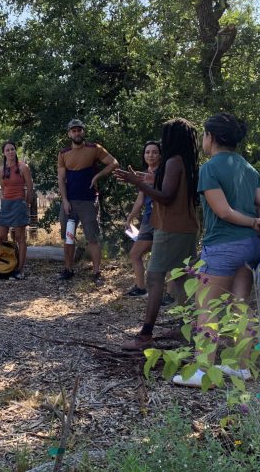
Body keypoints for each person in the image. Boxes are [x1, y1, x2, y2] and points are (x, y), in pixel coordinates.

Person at [172, 112, 260, 388]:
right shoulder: (248, 169)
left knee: (207, 308)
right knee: (241, 306)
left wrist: (253, 221)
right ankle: (242, 367)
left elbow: (223, 211)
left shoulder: (210, 168)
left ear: (211, 137)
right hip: (251, 248)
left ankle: (203, 372)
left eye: (205, 135)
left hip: (222, 247)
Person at [114, 118, 200, 351]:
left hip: (171, 228)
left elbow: (166, 197)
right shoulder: (185, 161)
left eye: (165, 136)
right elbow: (169, 189)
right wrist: (149, 179)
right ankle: (188, 330)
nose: (162, 141)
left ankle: (145, 336)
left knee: (154, 278)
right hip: (186, 227)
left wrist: (137, 183)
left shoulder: (173, 161)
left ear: (173, 138)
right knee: (182, 279)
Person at [57, 118, 119, 285]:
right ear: (69, 133)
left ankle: (97, 272)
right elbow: (61, 179)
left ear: (83, 132)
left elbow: (114, 163)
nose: (77, 133)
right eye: (74, 130)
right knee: (68, 238)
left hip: (88, 201)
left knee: (92, 238)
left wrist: (98, 176)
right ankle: (68, 269)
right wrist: (64, 200)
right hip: (69, 202)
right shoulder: (63, 153)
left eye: (79, 130)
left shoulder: (94, 149)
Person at [124, 141, 161, 296]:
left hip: (162, 221)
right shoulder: (143, 174)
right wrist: (130, 217)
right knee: (135, 254)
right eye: (147, 152)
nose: (150, 155)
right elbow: (140, 200)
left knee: (162, 258)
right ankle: (140, 288)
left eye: (154, 152)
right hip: (147, 220)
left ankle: (168, 293)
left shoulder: (165, 173)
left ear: (160, 155)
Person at [0, 141, 34, 280]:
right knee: (0, 237)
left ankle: (20, 269)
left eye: (13, 149)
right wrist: (4, 200)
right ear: (4, 153)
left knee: (19, 237)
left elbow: (30, 188)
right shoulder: (1, 170)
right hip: (6, 205)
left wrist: (26, 204)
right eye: (8, 150)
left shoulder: (23, 167)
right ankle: (3, 267)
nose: (11, 152)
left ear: (15, 151)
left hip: (19, 204)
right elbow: (3, 188)